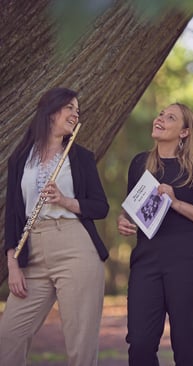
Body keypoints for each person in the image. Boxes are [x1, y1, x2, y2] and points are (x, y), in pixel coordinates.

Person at [0, 87, 109, 366]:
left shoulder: (80, 157)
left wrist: (65, 201)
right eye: (69, 108)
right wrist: (12, 264)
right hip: (31, 250)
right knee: (8, 337)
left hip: (75, 246)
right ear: (50, 113)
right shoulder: (20, 158)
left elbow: (100, 207)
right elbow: (13, 215)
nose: (75, 114)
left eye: (77, 110)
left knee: (80, 343)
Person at [117, 102, 193, 366]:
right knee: (139, 342)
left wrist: (176, 203)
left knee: (186, 342)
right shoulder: (139, 163)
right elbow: (131, 209)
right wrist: (123, 220)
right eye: (161, 114)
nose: (160, 119)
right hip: (147, 260)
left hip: (190, 261)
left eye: (170, 117)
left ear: (185, 132)